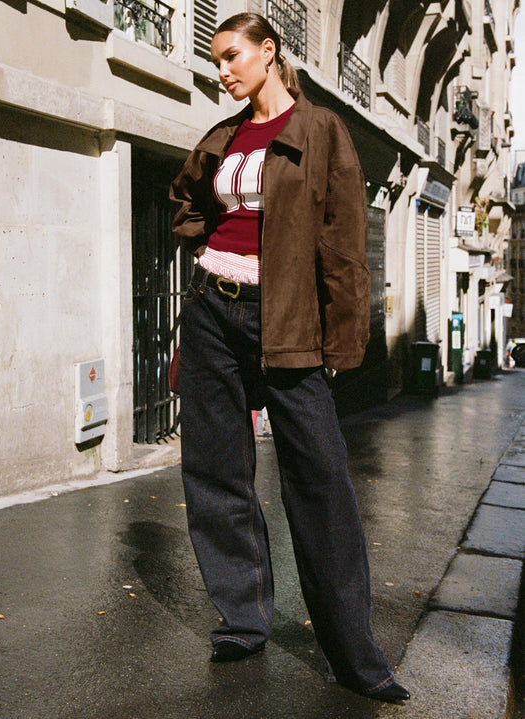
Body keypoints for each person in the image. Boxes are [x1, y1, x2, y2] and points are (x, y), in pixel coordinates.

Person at [169, 12, 410, 704]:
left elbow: (344, 244)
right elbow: (186, 200)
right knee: (216, 468)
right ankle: (243, 619)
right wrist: (208, 247)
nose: (222, 70)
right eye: (215, 60)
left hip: (287, 317)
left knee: (321, 481)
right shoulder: (223, 135)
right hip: (212, 310)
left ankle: (354, 654)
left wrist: (342, 341)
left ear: (268, 51)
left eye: (231, 56)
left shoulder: (319, 129)